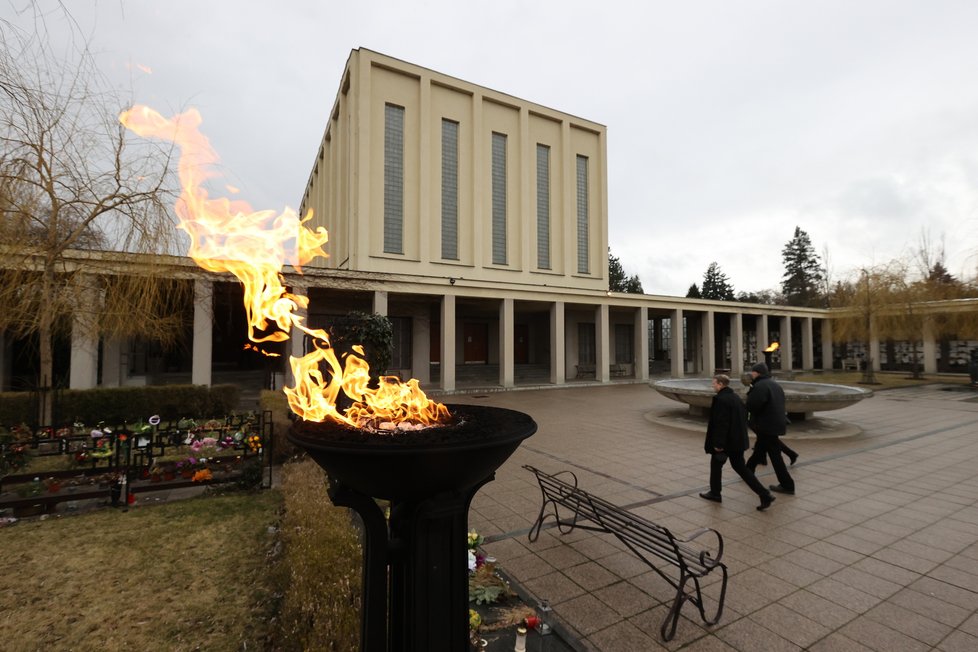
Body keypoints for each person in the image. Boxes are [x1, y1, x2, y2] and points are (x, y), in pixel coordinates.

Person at [698, 374, 776, 511]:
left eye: (714, 383)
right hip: (737, 441)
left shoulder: (721, 400)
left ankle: (715, 493)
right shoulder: (735, 397)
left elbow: (722, 423)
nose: (713, 385)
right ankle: (764, 494)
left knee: (716, 466)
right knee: (742, 469)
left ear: (721, 384)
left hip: (726, 442)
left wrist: (719, 444)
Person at [745, 362, 795, 495]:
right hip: (774, 424)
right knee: (760, 449)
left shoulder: (760, 386)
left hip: (765, 425)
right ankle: (748, 471)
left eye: (753, 372)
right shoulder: (775, 385)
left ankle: (787, 484)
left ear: (758, 373)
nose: (751, 374)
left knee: (775, 455)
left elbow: (752, 405)